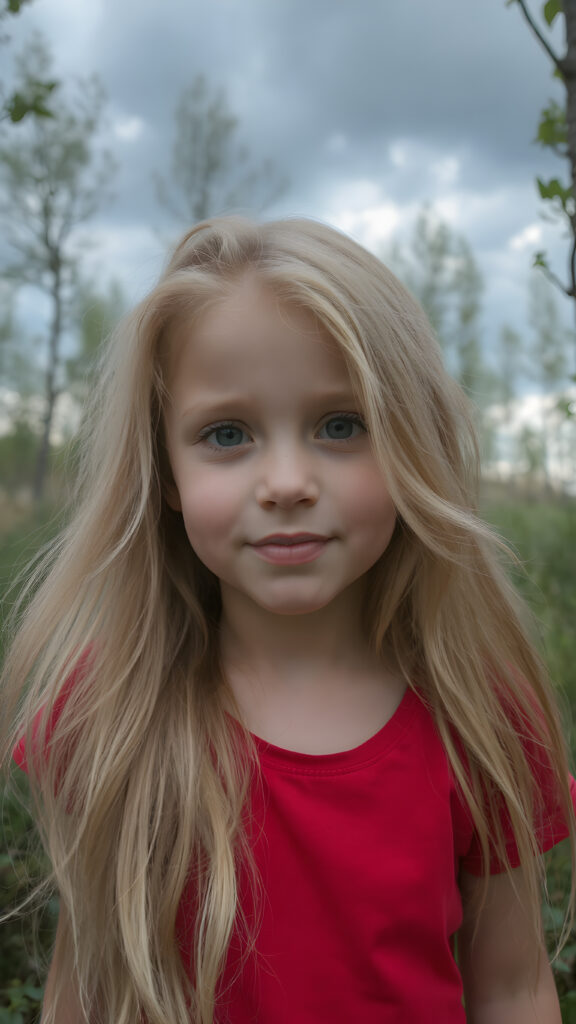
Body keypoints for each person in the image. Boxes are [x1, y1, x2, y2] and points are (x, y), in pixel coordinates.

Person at [1, 216, 575, 1024]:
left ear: (414, 444)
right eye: (226, 434)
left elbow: (512, 987)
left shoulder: (482, 717)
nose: (286, 482)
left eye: (341, 425)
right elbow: (82, 986)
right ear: (165, 472)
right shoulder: (107, 713)